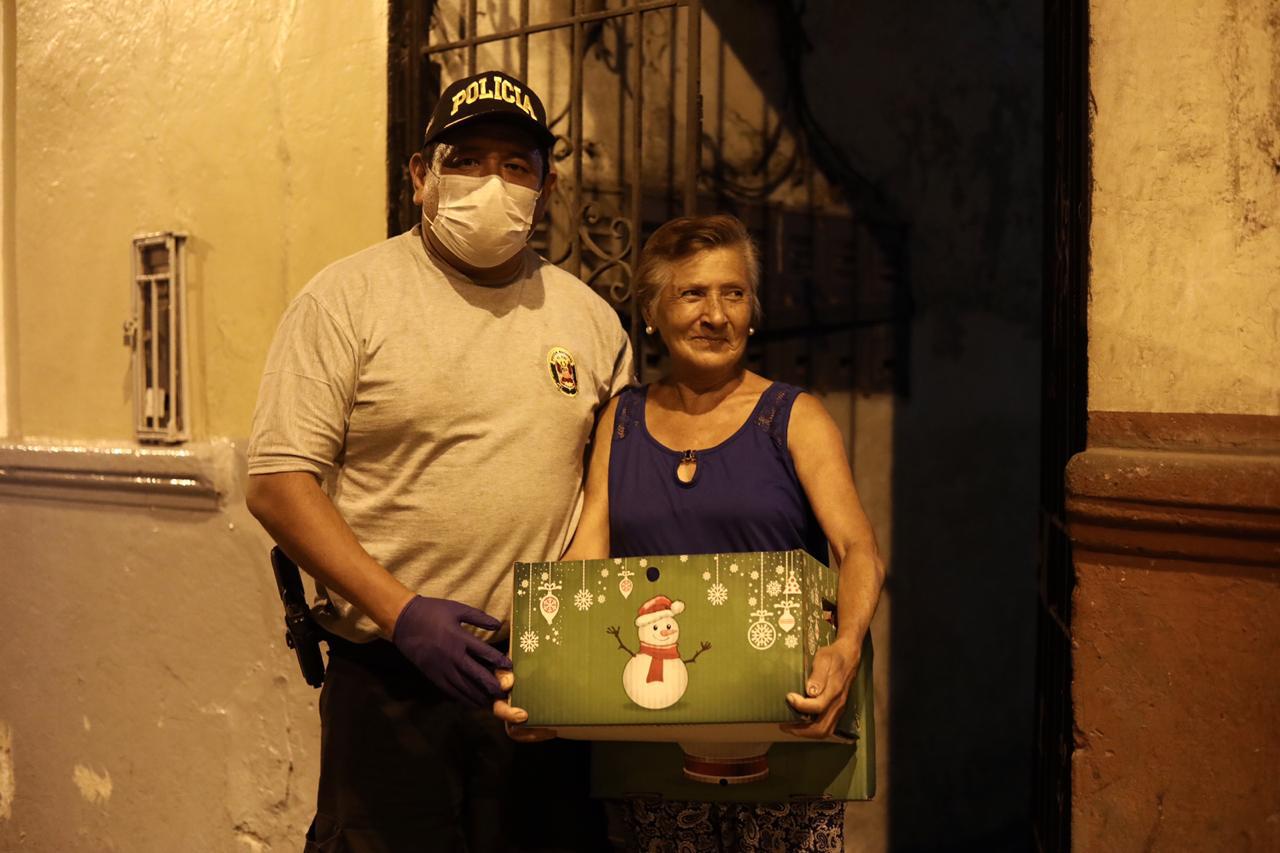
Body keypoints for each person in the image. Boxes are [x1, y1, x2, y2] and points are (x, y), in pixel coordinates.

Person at [246, 69, 633, 852]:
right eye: (468, 159)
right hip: (390, 684)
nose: (492, 182)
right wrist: (402, 613)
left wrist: (562, 634)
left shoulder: (592, 322)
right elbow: (279, 485)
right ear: (421, 175)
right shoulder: (344, 300)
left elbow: (608, 491)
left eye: (516, 165)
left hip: (538, 687)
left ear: (547, 189)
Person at [495, 214, 885, 851]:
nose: (716, 315)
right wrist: (534, 674)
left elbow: (858, 548)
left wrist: (845, 647)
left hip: (785, 726)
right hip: (653, 739)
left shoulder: (794, 417)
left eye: (734, 293)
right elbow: (587, 554)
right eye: (692, 294)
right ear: (652, 312)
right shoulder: (621, 420)